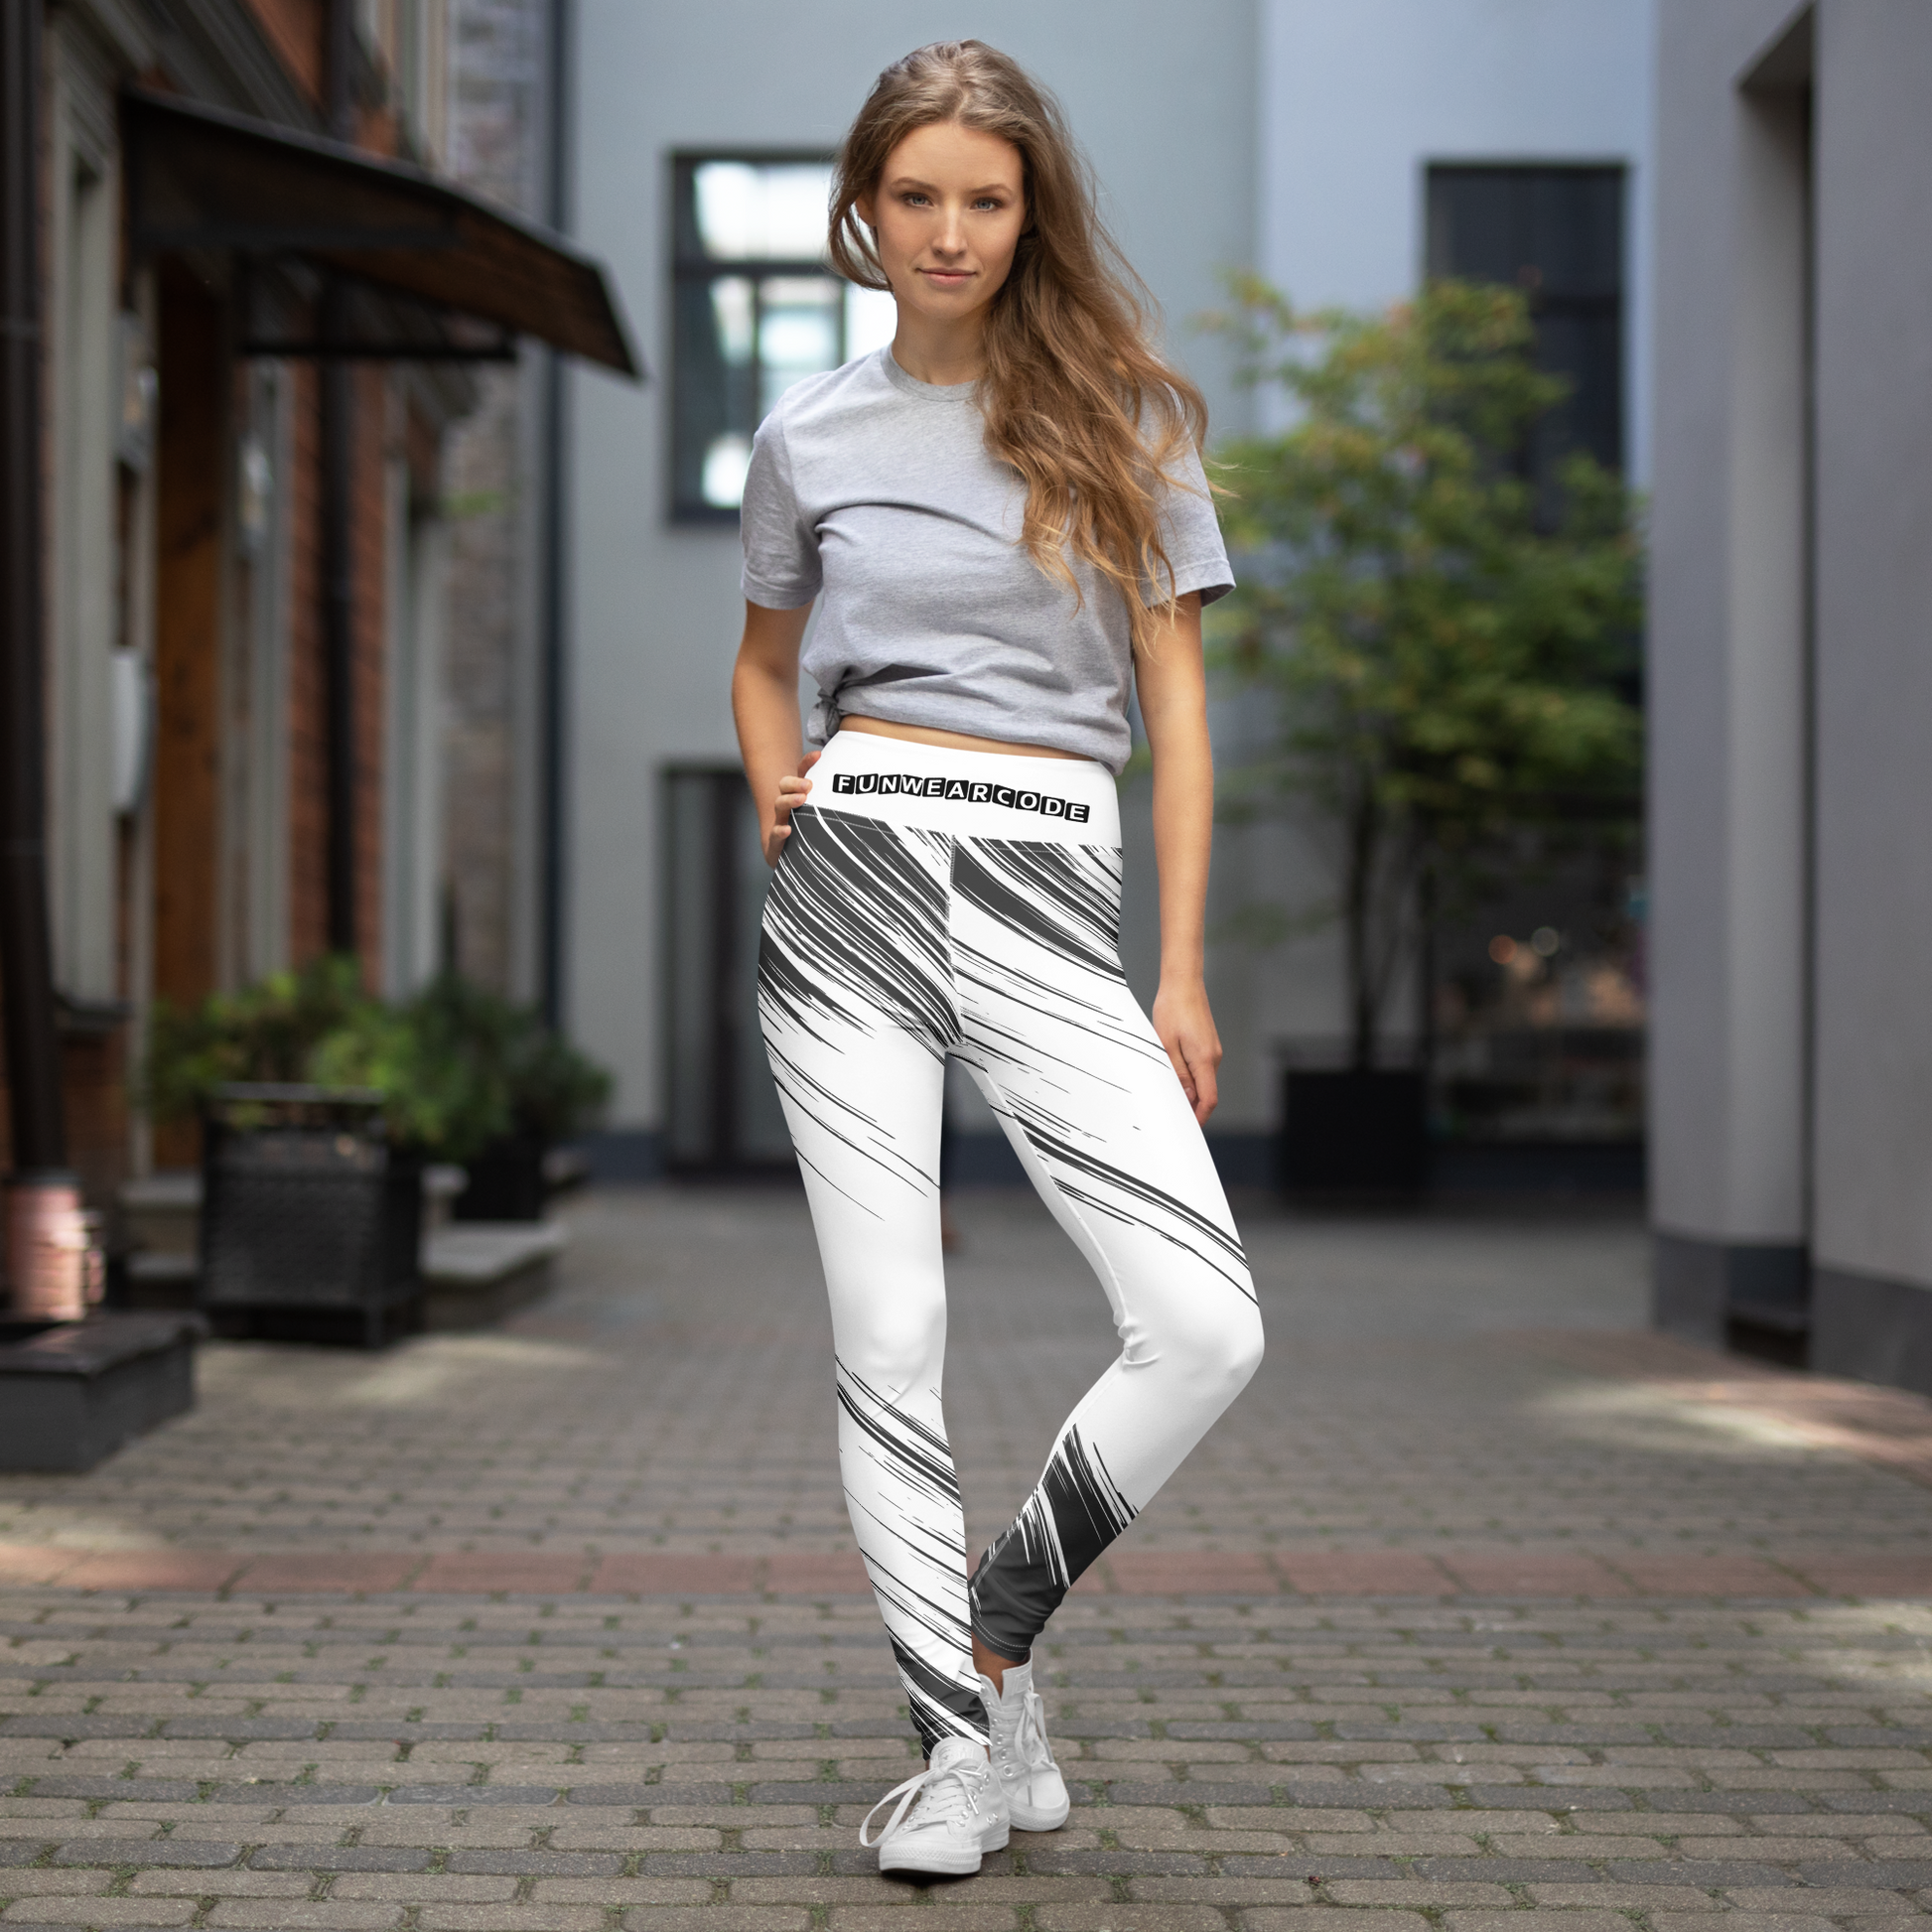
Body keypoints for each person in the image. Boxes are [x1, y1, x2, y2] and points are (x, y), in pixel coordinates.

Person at [731, 40, 1264, 1879]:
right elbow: (760, 658)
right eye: (915, 197)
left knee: (1203, 1319)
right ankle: (950, 1753)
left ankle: (992, 1635)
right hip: (854, 880)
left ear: (1030, 213)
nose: (947, 232)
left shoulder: (1127, 418)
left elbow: (1177, 711)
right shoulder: (807, 434)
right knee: (892, 1333)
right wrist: (775, 794)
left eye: (985, 198)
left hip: (1052, 883)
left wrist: (1176, 969)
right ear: (863, 212)